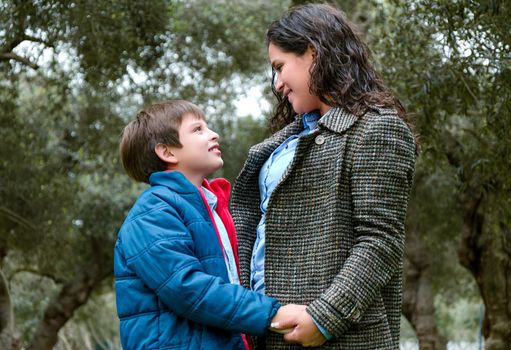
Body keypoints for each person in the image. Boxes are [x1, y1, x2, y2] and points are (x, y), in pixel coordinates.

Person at [231, 4, 417, 349]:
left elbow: (381, 241)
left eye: (280, 67)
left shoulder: (377, 129)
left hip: (338, 339)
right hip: (265, 335)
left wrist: (324, 317)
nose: (277, 84)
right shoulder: (281, 143)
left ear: (313, 53)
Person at [114, 100, 297, 350]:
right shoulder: (152, 212)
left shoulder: (210, 207)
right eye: (198, 129)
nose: (213, 134)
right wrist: (273, 314)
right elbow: (188, 288)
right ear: (167, 152)